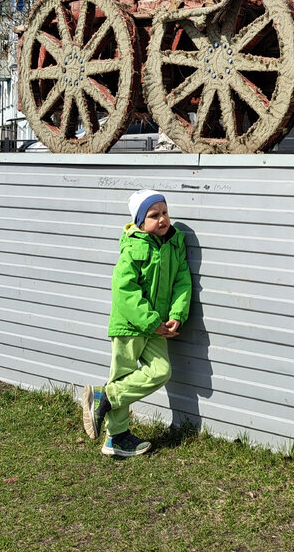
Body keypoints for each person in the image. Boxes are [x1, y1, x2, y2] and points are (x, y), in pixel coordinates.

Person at [81, 189, 193, 457]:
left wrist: (177, 314)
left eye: (165, 213)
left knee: (161, 371)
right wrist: (151, 321)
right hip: (130, 325)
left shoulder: (175, 244)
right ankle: (116, 439)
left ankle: (105, 396)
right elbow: (124, 291)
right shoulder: (132, 247)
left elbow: (182, 281)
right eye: (154, 215)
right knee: (123, 374)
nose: (163, 219)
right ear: (141, 221)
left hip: (157, 327)